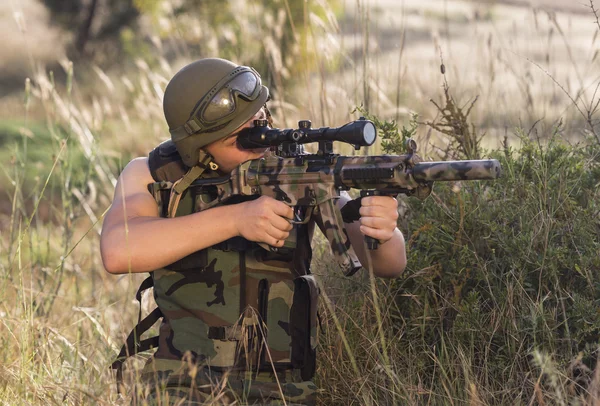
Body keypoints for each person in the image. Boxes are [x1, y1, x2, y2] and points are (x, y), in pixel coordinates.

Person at [100, 58, 407, 405]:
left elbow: (389, 264)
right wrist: (236, 219)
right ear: (198, 146)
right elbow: (117, 251)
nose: (260, 135)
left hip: (284, 389)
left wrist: (380, 231)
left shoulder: (297, 170)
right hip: (180, 385)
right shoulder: (152, 173)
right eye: (241, 135)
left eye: (261, 120)